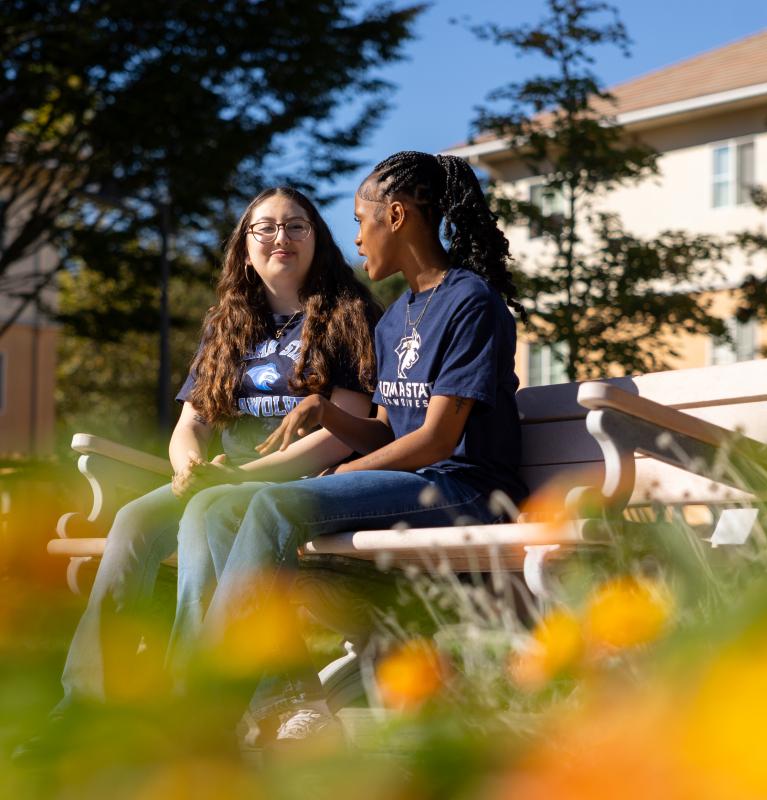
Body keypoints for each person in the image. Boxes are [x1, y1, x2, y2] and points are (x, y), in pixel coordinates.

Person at [187, 151, 529, 743]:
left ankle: (204, 708)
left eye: (359, 219)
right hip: (419, 484)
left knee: (274, 503)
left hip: (468, 489)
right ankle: (288, 697)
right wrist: (328, 415)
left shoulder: (469, 301)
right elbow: (390, 430)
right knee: (221, 509)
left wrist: (326, 481)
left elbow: (437, 438)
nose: (355, 238)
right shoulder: (396, 317)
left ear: (395, 216)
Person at [52, 186, 381, 719]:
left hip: (300, 484)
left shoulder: (349, 316)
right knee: (135, 519)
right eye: (266, 227)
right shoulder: (229, 323)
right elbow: (192, 422)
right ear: (244, 247)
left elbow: (344, 431)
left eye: (297, 226)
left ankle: (189, 698)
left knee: (202, 522)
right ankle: (85, 704)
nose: (282, 237)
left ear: (317, 239)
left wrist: (240, 477)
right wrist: (188, 468)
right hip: (219, 476)